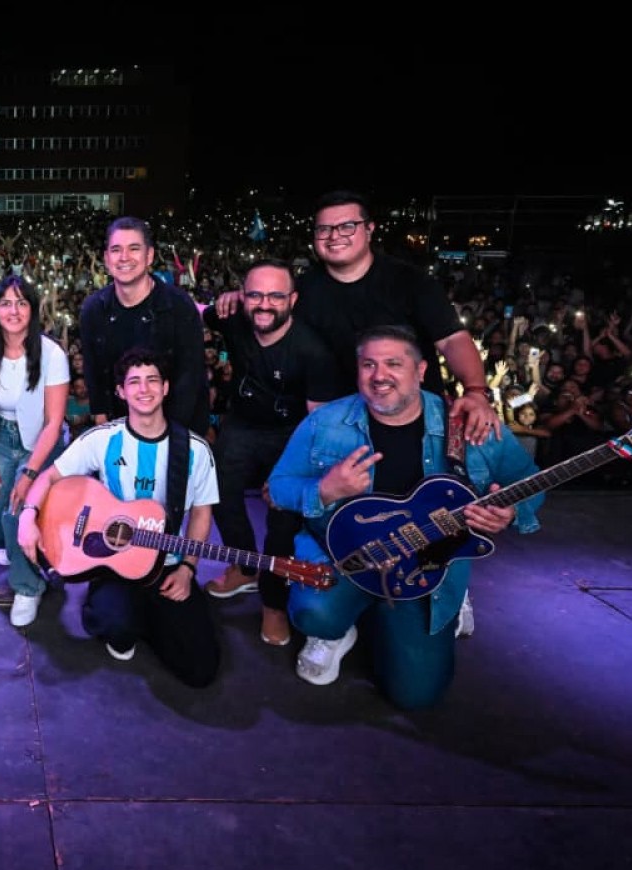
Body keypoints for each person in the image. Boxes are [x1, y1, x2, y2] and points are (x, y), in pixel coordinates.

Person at [266, 326, 541, 709]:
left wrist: (511, 513)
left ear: (421, 370)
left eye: (394, 364)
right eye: (369, 365)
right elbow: (277, 487)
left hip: (425, 567)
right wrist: (325, 490)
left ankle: (420, 611)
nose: (380, 376)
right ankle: (336, 631)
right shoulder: (326, 422)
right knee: (315, 614)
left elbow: (528, 479)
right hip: (345, 556)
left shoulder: (467, 423)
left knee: (417, 695)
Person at [211, 190, 498, 443]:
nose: (334, 236)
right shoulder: (303, 289)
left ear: (370, 229)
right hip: (340, 425)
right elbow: (271, 313)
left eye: (347, 226)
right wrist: (241, 298)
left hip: (412, 420)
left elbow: (452, 339)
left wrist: (475, 391)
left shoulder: (410, 281)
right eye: (324, 229)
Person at [16, 348, 221, 687]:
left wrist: (188, 568)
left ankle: (148, 616)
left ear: (166, 387)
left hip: (167, 562)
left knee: (200, 671)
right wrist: (27, 516)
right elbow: (48, 478)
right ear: (121, 391)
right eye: (134, 382)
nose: (144, 389)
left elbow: (202, 512)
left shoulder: (194, 449)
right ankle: (124, 614)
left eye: (152, 380)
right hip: (111, 559)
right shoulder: (103, 438)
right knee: (116, 626)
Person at [199, 259, 341, 645]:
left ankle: (274, 603)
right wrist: (219, 300)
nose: (264, 304)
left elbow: (317, 427)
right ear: (243, 297)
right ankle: (245, 566)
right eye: (255, 295)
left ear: (292, 300)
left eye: (275, 296)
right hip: (242, 425)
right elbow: (197, 311)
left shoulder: (313, 351)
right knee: (217, 492)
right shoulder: (233, 318)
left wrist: (289, 477)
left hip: (292, 436)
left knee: (282, 517)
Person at [0, 275, 69, 627]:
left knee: (15, 512)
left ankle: (28, 586)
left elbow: (54, 422)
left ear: (33, 309)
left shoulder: (52, 354)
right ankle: (17, 544)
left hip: (40, 443)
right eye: (6, 303)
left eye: (21, 302)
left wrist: (29, 473)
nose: (13, 310)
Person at [78, 217, 210, 434]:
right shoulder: (94, 309)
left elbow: (190, 378)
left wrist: (170, 438)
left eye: (134, 248)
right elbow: (94, 374)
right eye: (116, 249)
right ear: (107, 259)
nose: (124, 258)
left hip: (176, 428)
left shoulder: (178, 306)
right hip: (118, 430)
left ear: (149, 256)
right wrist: (104, 430)